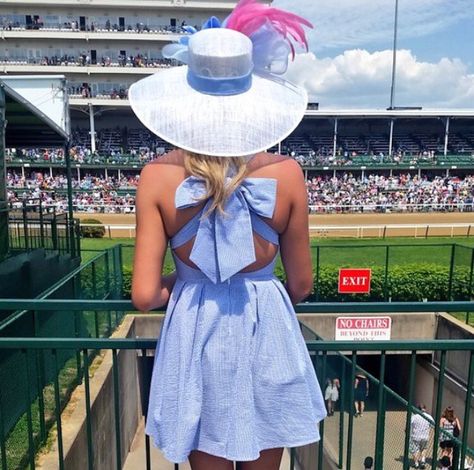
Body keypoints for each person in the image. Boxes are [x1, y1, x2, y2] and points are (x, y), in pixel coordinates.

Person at [129, 2, 326, 469]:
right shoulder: (288, 174)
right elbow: (300, 285)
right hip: (267, 331)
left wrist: (186, 282)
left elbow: (143, 294)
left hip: (197, 333)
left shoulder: (156, 178)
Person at [409, 404, 433, 469]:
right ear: (425, 408)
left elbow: (409, 424)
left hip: (415, 436)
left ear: (418, 409)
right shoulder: (429, 417)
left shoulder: (414, 416)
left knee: (415, 450)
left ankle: (416, 464)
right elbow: (432, 425)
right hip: (425, 436)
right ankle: (423, 461)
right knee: (424, 449)